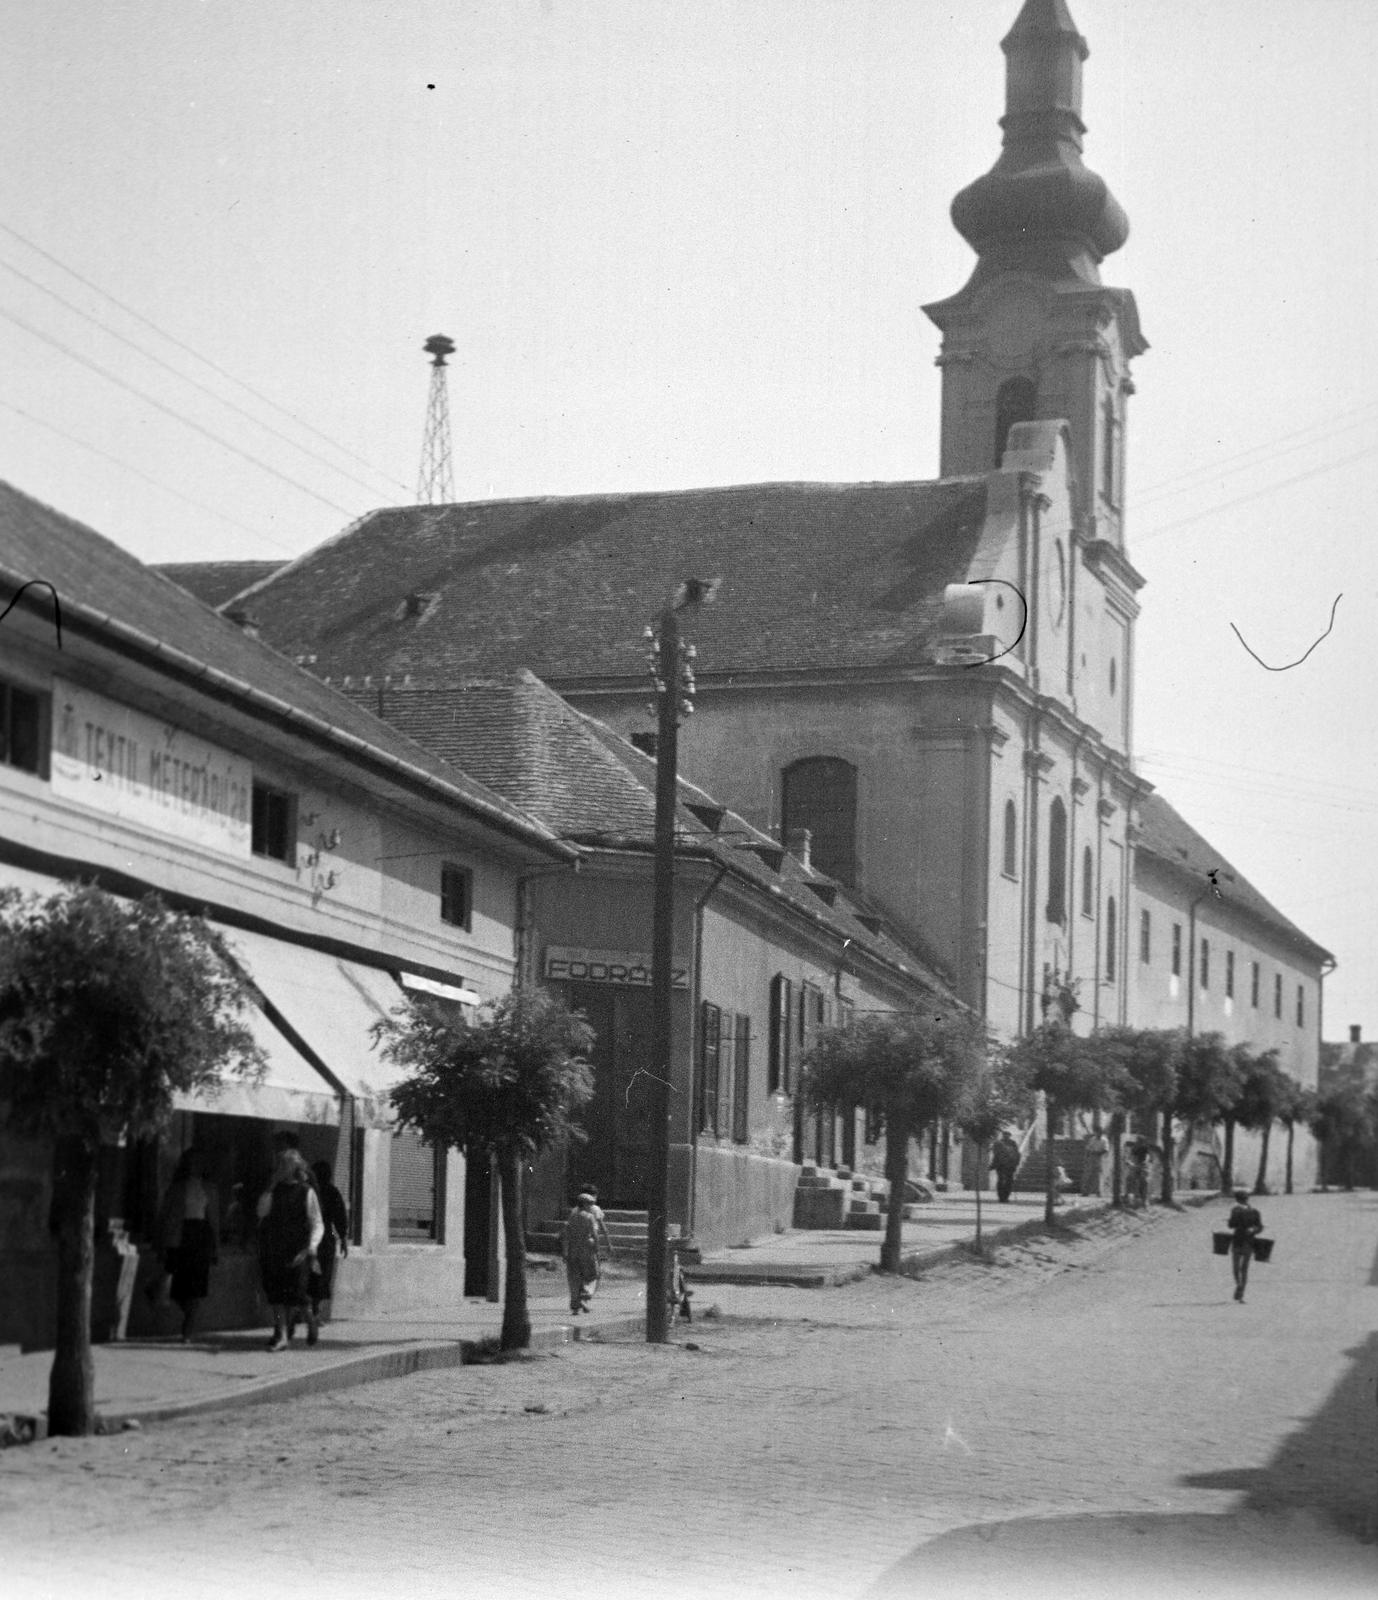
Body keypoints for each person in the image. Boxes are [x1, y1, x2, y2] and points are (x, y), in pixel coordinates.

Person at [257, 1143, 324, 1350]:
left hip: (299, 1250)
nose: (280, 1168)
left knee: (298, 1296)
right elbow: (261, 1212)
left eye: (284, 1165)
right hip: (276, 1247)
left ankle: (311, 1321)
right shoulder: (274, 1190)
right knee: (276, 1295)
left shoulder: (306, 1192)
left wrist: (312, 1247)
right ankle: (282, 1336)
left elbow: (317, 1222)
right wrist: (269, 1187)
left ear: (293, 1167)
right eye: (280, 1165)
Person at [157, 1147, 220, 1342]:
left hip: (200, 1237)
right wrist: (161, 1244)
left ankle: (188, 1331)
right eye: (192, 1163)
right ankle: (188, 1319)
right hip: (180, 1236)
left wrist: (215, 1246)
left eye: (199, 1163)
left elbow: (215, 1220)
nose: (196, 1167)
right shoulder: (176, 1188)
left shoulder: (209, 1188)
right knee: (178, 1288)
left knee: (195, 1288)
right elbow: (165, 1216)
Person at [308, 1160, 350, 1329]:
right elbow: (340, 1217)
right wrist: (343, 1239)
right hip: (324, 1241)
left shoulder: (310, 1192)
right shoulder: (330, 1192)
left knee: (311, 1276)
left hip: (309, 1238)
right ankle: (314, 1311)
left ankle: (310, 1311)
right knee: (321, 1276)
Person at [563, 1189, 612, 1315]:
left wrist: (565, 1251)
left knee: (574, 1278)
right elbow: (595, 1234)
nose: (591, 1206)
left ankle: (575, 1305)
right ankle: (586, 1294)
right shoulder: (589, 1217)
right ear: (584, 1204)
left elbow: (566, 1235)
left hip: (573, 1250)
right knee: (592, 1275)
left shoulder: (572, 1216)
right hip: (587, 1250)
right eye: (589, 1203)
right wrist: (597, 1248)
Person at [1226, 1187, 1264, 1303]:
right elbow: (1260, 1227)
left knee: (1236, 1268)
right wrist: (1253, 1230)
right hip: (1249, 1242)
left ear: (1237, 1200)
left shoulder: (1235, 1210)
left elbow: (1231, 1225)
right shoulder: (1255, 1211)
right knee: (1245, 1269)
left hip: (1237, 1241)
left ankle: (1239, 1285)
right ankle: (1241, 1292)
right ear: (1247, 1199)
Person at [990, 1133, 1021, 1203]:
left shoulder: (999, 1143)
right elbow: (1017, 1154)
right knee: (1006, 1181)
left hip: (1004, 1165)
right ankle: (1004, 1197)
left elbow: (996, 1155)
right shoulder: (1011, 1143)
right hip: (1007, 1165)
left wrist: (993, 1165)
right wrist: (1016, 1164)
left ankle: (1003, 1197)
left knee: (1003, 1181)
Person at [1081, 1129, 1110, 1198]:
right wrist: (1087, 1157)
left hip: (1100, 1158)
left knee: (1099, 1176)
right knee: (1089, 1175)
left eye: (1099, 1133)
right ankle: (1086, 1192)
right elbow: (1088, 1148)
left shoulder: (1104, 1140)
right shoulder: (1093, 1139)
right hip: (1092, 1158)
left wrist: (1098, 1153)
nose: (1097, 1134)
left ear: (1101, 1133)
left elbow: (1106, 1150)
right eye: (1096, 1133)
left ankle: (1099, 1192)